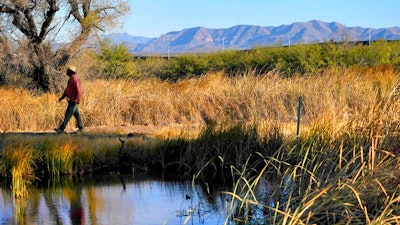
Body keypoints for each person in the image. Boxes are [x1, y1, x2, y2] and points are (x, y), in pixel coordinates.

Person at [55, 65, 85, 133]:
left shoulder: (75, 79)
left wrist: (78, 100)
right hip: (71, 100)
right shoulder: (71, 79)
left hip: (73, 101)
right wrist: (62, 97)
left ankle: (61, 129)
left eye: (67, 71)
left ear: (71, 72)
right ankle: (81, 127)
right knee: (76, 114)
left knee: (68, 114)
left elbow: (79, 91)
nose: (66, 72)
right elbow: (67, 90)